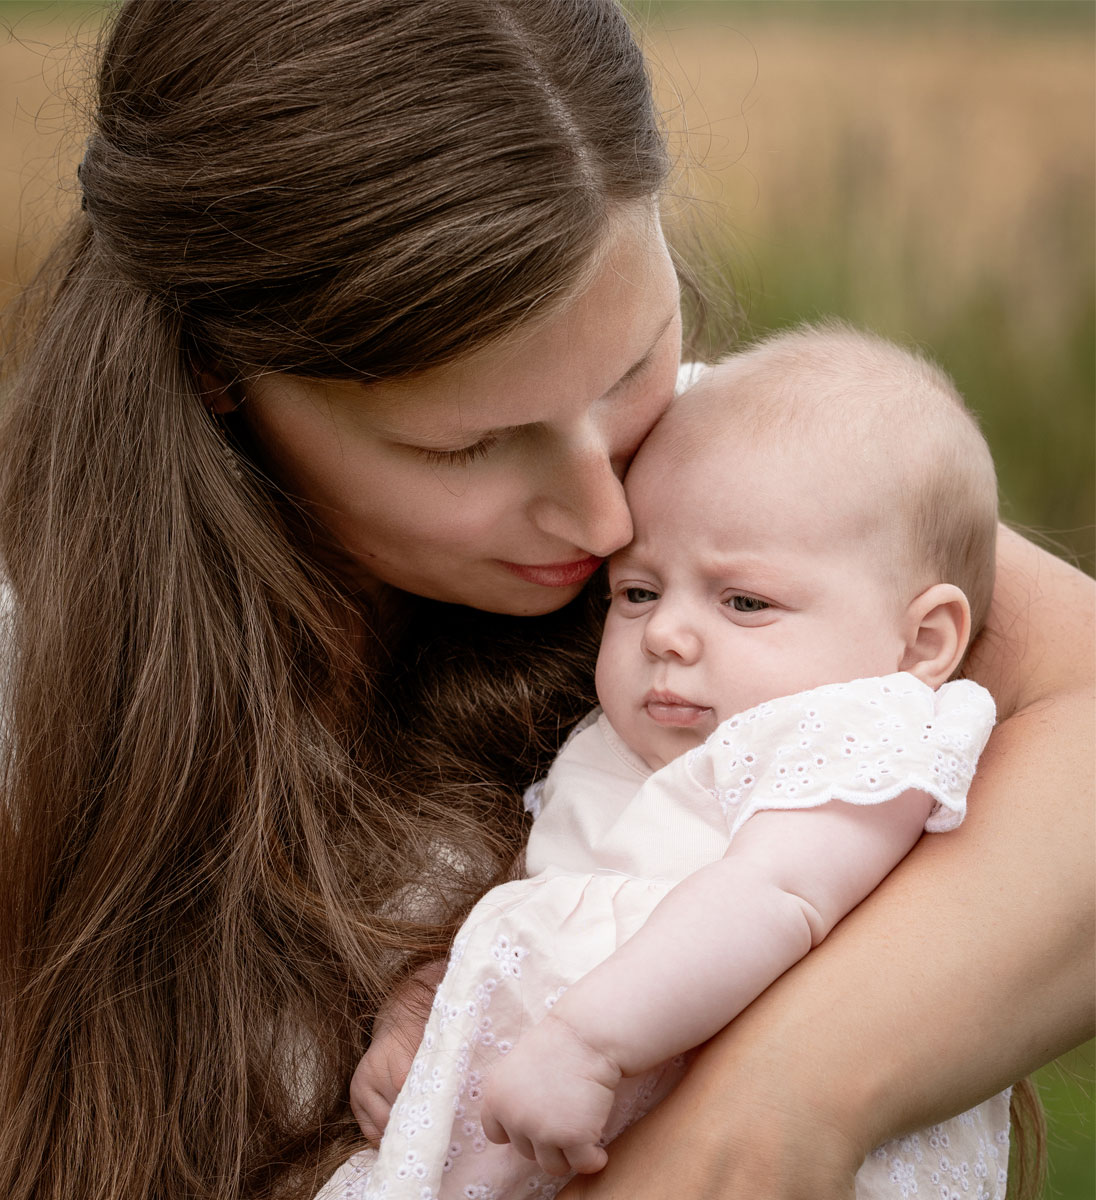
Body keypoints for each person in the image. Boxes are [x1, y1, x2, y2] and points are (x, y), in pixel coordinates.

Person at [0, 3, 1090, 1199]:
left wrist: (772, 1110)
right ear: (216, 370)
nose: (607, 520)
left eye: (633, 368)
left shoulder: (742, 481)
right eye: (467, 448)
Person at [333, 324, 1008, 1199]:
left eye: (745, 601)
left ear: (923, 641)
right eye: (638, 591)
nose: (667, 634)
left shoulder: (854, 734)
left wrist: (587, 1045)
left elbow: (777, 896)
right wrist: (427, 1010)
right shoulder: (615, 747)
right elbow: (539, 898)